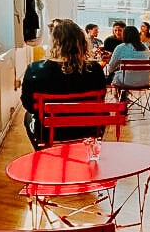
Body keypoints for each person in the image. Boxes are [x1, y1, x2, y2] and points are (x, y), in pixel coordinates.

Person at [20, 19, 108, 150]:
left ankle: (42, 152)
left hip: (50, 132)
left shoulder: (35, 69)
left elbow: (29, 105)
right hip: (88, 129)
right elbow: (101, 99)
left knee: (28, 116)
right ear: (81, 42)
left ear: (53, 43)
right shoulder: (95, 69)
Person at [105, 25, 150, 89]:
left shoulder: (120, 47)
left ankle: (119, 97)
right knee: (123, 75)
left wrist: (111, 70)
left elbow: (111, 68)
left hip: (126, 82)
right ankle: (125, 96)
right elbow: (149, 61)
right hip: (145, 81)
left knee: (117, 76)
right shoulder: (145, 48)